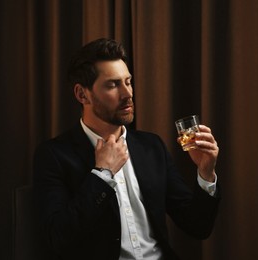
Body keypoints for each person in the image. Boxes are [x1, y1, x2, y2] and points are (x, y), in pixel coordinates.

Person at [33, 38, 220, 260]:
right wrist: (102, 175)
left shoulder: (152, 147)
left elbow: (198, 226)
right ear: (82, 94)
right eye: (113, 84)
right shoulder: (53, 155)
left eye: (128, 82)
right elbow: (58, 238)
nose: (128, 94)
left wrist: (206, 172)